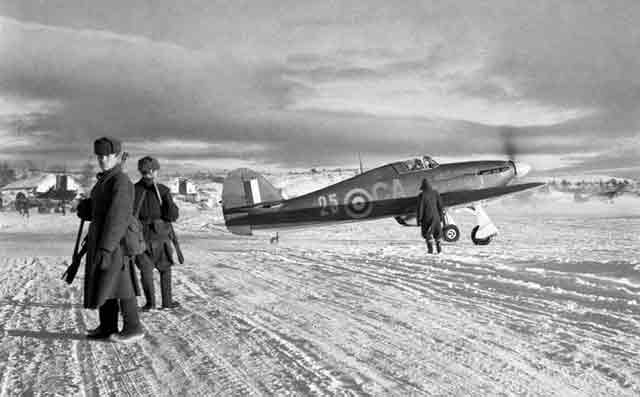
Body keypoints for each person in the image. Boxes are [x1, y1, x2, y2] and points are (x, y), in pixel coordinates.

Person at [76, 137, 144, 343]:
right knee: (107, 283)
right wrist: (87, 208)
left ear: (116, 156)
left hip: (116, 242)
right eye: (99, 155)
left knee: (121, 284)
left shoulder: (120, 182)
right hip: (103, 240)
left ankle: (134, 328)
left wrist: (106, 248)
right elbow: (102, 210)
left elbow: (118, 217)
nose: (102, 159)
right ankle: (107, 327)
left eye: (107, 155)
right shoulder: (105, 180)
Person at [134, 156, 180, 311]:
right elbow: (172, 216)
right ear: (153, 171)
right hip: (160, 236)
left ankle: (150, 304)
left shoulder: (133, 190)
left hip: (140, 237)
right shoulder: (162, 190)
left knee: (146, 271)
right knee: (165, 269)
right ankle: (167, 302)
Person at [417, 178, 445, 254]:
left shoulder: (422, 195)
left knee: (427, 234)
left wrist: (419, 220)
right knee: (437, 234)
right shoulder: (435, 193)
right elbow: (440, 206)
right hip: (436, 217)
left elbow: (420, 209)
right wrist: (441, 217)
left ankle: (430, 250)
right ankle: (439, 250)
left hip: (427, 218)